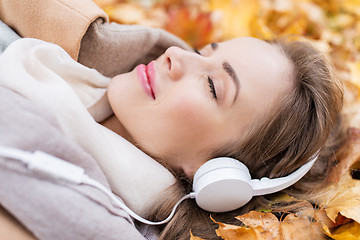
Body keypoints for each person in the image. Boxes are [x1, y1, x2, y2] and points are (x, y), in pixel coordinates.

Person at [0, 1, 347, 240]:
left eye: (212, 86)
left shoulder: (84, 220)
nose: (175, 55)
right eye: (201, 52)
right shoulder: (50, 54)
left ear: (219, 175)